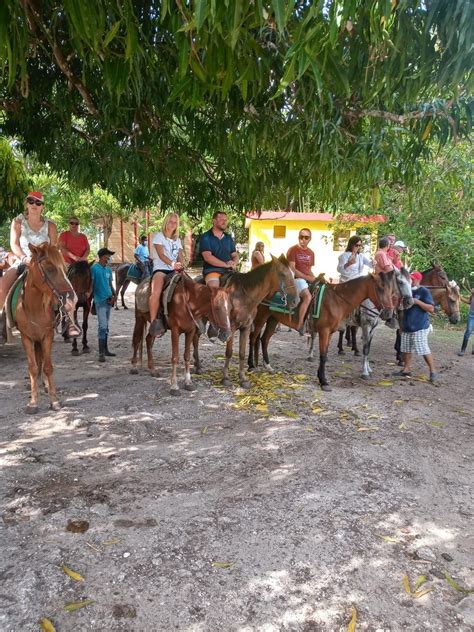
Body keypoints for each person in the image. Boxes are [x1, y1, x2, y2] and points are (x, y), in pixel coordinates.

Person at [0, 191, 80, 341]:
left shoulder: (50, 225)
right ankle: (2, 321)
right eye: (31, 201)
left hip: (46, 263)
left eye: (38, 203)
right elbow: (14, 244)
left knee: (68, 288)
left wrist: (50, 261)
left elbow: (54, 247)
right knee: (3, 285)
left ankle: (69, 322)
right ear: (26, 204)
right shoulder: (17, 222)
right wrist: (24, 258)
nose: (34, 205)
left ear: (42, 206)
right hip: (23, 260)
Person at [394, 271, 437, 383]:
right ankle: (406, 369)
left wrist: (417, 302)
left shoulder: (423, 291)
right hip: (407, 325)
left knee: (423, 349)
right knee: (406, 348)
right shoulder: (406, 291)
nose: (411, 280)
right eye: (410, 279)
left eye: (412, 279)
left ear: (418, 280)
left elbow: (431, 309)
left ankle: (433, 371)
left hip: (420, 326)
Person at [149, 213, 184, 337]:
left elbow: (180, 254)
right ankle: (154, 322)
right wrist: (173, 263)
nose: (172, 224)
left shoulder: (177, 240)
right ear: (165, 222)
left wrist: (181, 264)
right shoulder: (159, 236)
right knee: (156, 293)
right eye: (170, 222)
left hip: (175, 269)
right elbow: (161, 255)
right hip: (161, 269)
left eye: (175, 222)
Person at [286, 228, 316, 334]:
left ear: (310, 239)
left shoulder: (311, 253)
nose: (303, 239)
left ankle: (314, 321)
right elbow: (292, 269)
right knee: (308, 296)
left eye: (306, 237)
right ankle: (300, 323)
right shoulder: (292, 250)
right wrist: (308, 278)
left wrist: (315, 278)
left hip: (306, 279)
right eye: (301, 237)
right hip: (295, 279)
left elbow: (309, 270)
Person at [91, 247, 117, 361]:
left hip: (108, 300)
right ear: (102, 257)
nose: (109, 258)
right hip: (100, 300)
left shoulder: (108, 270)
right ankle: (101, 352)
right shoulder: (94, 269)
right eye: (107, 256)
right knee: (102, 326)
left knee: (105, 326)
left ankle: (105, 350)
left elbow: (110, 284)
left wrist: (114, 295)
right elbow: (91, 284)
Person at [201, 211, 239, 287]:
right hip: (212, 271)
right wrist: (225, 265)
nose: (224, 222)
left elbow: (234, 255)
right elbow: (208, 257)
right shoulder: (206, 237)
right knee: (215, 290)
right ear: (214, 221)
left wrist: (234, 263)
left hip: (230, 271)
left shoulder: (228, 238)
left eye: (226, 220)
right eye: (221, 220)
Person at [458, 289, 474, 356]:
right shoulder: (473, 294)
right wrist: (459, 296)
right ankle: (463, 350)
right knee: (468, 331)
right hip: (471, 315)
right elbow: (469, 301)